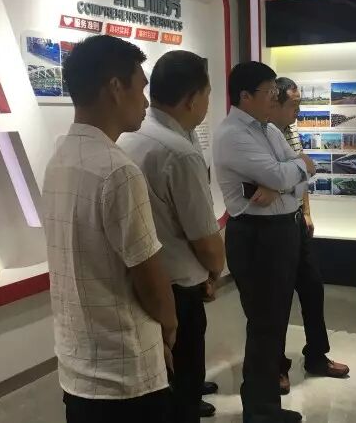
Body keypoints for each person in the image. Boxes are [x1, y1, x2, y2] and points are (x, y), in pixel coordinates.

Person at [41, 35, 177, 422]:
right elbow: (149, 276)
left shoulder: (60, 157)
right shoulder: (118, 170)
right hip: (125, 372)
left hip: (78, 364)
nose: (146, 102)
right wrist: (169, 326)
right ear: (115, 88)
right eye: (141, 88)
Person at [118, 50, 226, 422]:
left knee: (162, 380)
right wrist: (215, 271)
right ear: (192, 99)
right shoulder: (178, 152)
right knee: (184, 381)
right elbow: (205, 239)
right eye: (207, 94)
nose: (208, 103)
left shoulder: (130, 137)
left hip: (143, 282)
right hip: (180, 289)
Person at [212, 62, 316, 423]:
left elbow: (300, 175)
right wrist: (288, 175)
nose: (275, 97)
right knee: (264, 323)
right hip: (256, 236)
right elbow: (287, 171)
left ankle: (266, 405)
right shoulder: (232, 134)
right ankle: (259, 410)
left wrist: (283, 182)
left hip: (282, 230)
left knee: (274, 322)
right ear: (245, 95)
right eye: (269, 91)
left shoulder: (269, 129)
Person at [266, 77, 350, 394]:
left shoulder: (291, 132)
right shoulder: (265, 135)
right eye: (294, 104)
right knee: (277, 299)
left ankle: (316, 355)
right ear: (275, 103)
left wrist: (307, 211)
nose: (298, 111)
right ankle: (275, 364)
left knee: (313, 289)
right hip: (275, 225)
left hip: (296, 221)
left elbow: (301, 175)